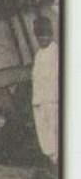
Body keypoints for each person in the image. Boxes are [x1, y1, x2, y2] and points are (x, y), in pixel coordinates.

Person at [30, 15, 58, 170]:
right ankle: (51, 160)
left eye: (45, 36)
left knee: (55, 132)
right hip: (39, 100)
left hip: (53, 100)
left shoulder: (56, 53)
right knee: (44, 133)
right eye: (39, 37)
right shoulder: (39, 54)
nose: (42, 40)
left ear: (51, 34)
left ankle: (57, 163)